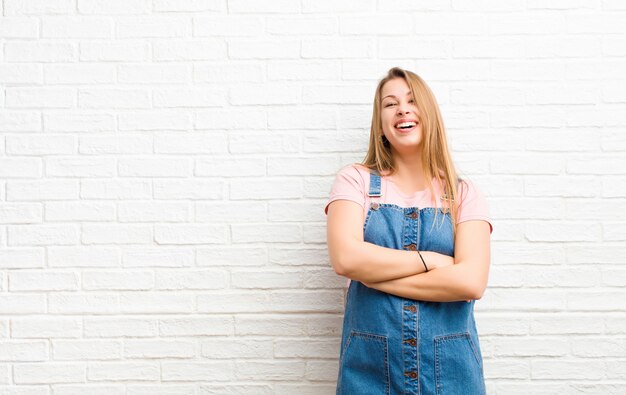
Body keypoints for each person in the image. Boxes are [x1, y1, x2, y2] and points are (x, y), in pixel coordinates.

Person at [324, 67, 493, 395]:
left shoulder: (463, 193)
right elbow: (346, 259)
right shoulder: (354, 181)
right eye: (390, 104)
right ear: (381, 122)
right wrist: (433, 260)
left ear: (428, 113)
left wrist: (374, 275)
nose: (402, 109)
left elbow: (471, 282)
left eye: (412, 100)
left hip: (452, 373)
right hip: (369, 371)